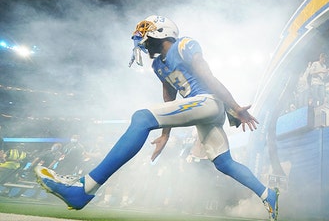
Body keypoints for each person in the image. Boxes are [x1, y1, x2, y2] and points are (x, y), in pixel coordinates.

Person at [34, 15, 279, 220]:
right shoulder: (158, 66)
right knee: (223, 162)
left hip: (208, 102)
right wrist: (164, 134)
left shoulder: (184, 45)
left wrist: (235, 107)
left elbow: (209, 77)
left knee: (141, 117)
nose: (143, 40)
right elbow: (169, 102)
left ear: (161, 32)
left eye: (146, 33)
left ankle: (84, 188)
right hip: (201, 109)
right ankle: (268, 194)